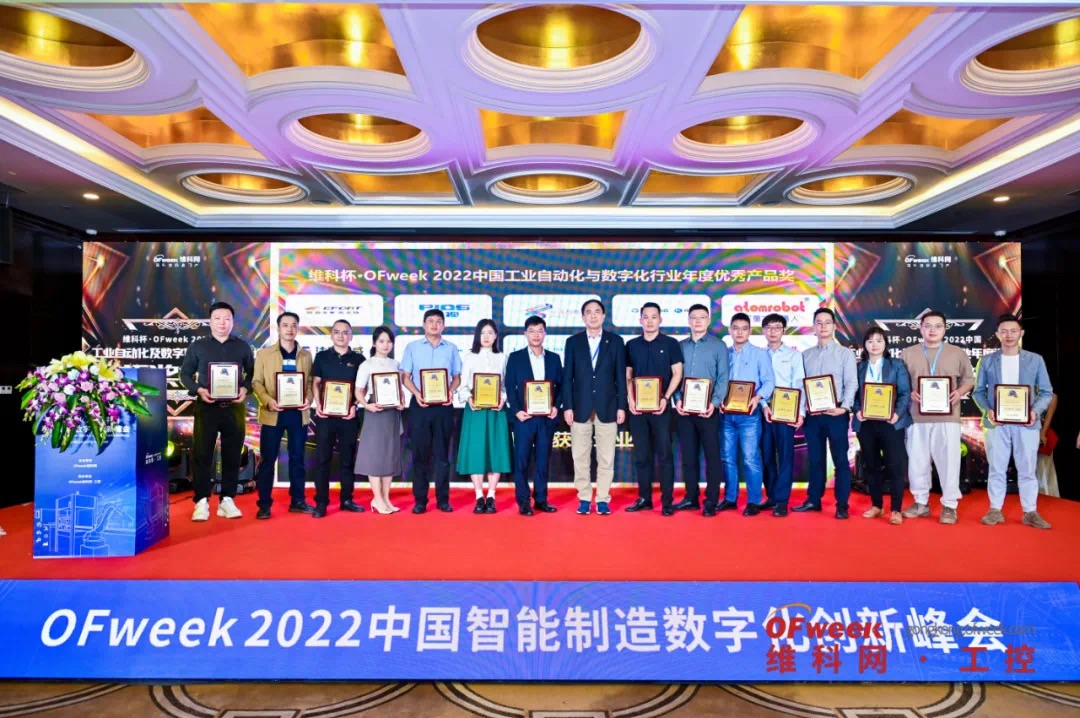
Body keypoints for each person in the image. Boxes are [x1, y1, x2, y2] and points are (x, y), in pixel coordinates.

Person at [972, 314, 1054, 529]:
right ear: (998, 334)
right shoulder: (987, 361)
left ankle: (1030, 511)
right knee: (996, 468)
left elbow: (1046, 392)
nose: (1009, 335)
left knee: (1027, 469)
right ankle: (995, 510)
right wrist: (988, 410)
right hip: (996, 424)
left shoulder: (1035, 360)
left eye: (1013, 331)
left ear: (1021, 333)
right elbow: (978, 392)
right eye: (1004, 331)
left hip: (1027, 424)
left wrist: (1034, 412)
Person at [179, 301, 254, 521]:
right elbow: (185, 375)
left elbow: (253, 375)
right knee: (202, 454)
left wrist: (245, 389)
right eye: (218, 318)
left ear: (233, 322)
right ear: (210, 321)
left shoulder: (242, 347)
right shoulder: (198, 346)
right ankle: (201, 501)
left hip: (234, 408)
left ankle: (227, 500)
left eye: (227, 319)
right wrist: (198, 390)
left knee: (233, 455)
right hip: (206, 407)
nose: (222, 323)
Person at [900, 310, 975, 524]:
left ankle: (949, 506)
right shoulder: (908, 353)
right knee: (917, 462)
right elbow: (900, 382)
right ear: (920, 328)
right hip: (917, 417)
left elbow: (969, 380)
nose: (932, 330)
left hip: (948, 417)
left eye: (938, 326)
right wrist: (910, 393)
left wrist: (959, 392)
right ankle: (920, 503)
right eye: (928, 326)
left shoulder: (957, 352)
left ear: (945, 329)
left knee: (949, 461)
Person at [561, 299, 627, 516]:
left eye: (597, 311)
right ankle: (584, 497)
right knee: (580, 457)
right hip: (580, 407)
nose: (593, 315)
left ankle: (603, 499)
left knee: (606, 457)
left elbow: (620, 377)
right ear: (582, 317)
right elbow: (567, 377)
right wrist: (567, 406)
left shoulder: (615, 341)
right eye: (588, 312)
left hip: (608, 406)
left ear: (604, 316)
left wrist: (622, 406)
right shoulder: (573, 342)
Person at [794, 307, 858, 519]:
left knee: (840, 460)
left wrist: (844, 407)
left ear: (834, 326)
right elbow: (801, 386)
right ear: (813, 326)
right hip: (813, 416)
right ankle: (814, 500)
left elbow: (851, 383)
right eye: (819, 323)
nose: (823, 326)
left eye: (827, 322)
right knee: (815, 460)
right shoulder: (805, 355)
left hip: (836, 414)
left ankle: (842, 505)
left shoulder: (845, 353)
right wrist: (803, 409)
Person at [252, 312, 315, 519]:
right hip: (273, 414)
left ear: (298, 328)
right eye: (285, 325)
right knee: (268, 459)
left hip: (298, 414)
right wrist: (267, 400)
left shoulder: (305, 356)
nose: (290, 329)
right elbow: (256, 382)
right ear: (278, 328)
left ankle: (298, 501)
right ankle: (264, 504)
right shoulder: (264, 354)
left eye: (294, 325)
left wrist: (309, 398)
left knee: (298, 458)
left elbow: (309, 383)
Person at [401, 308, 462, 514]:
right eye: (430, 321)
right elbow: (405, 377)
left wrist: (451, 391)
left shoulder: (451, 348)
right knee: (420, 454)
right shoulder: (412, 347)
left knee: (443, 455)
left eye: (438, 321)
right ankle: (420, 500)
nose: (434, 325)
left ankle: (443, 500)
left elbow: (457, 377)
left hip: (443, 407)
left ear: (444, 325)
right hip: (420, 406)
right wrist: (417, 394)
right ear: (424, 324)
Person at [625, 302, 684, 515]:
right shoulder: (631, 345)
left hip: (661, 408)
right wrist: (631, 399)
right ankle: (644, 498)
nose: (650, 321)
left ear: (660, 319)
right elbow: (628, 375)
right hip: (638, 411)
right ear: (640, 320)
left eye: (654, 317)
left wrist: (666, 398)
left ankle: (667, 501)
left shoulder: (670, 344)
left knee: (665, 455)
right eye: (646, 317)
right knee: (642, 456)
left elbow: (677, 373)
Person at [851, 327, 911, 525]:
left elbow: (905, 392)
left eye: (879, 340)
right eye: (870, 341)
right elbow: (853, 393)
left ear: (885, 343)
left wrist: (897, 413)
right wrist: (857, 409)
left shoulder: (896, 365)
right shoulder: (859, 367)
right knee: (871, 465)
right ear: (864, 345)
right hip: (866, 423)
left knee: (895, 465)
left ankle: (896, 509)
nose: (874, 345)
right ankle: (877, 505)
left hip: (891, 423)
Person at [672, 303, 728, 516]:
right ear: (688, 320)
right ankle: (691, 497)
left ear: (708, 320)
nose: (697, 321)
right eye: (694, 317)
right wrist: (677, 399)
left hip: (708, 411)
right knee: (688, 456)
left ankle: (711, 500)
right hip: (684, 411)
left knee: (712, 456)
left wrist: (714, 403)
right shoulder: (679, 346)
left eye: (702, 317)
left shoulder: (718, 346)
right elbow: (675, 376)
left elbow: (723, 377)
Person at [504, 316, 563, 516]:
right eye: (532, 331)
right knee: (521, 460)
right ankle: (523, 501)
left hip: (546, 418)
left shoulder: (554, 358)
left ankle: (541, 499)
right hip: (524, 418)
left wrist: (556, 406)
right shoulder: (515, 357)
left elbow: (562, 385)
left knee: (543, 460)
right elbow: (509, 386)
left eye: (540, 331)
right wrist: (516, 410)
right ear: (525, 334)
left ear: (545, 333)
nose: (536, 335)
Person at [720, 312, 775, 515]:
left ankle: (754, 500)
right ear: (730, 330)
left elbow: (769, 382)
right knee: (727, 458)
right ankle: (730, 498)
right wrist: (718, 398)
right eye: (736, 328)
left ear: (750, 331)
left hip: (749, 416)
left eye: (744, 328)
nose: (740, 332)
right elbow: (718, 381)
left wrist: (757, 397)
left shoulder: (760, 354)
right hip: (726, 415)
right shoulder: (724, 353)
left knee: (750, 458)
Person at [310, 319, 365, 519]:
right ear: (331, 335)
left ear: (351, 336)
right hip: (326, 417)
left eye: (345, 332)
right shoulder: (322, 357)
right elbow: (315, 383)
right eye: (337, 332)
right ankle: (321, 502)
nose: (341, 336)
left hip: (349, 416)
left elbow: (363, 386)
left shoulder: (359, 359)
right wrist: (319, 405)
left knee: (347, 460)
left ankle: (347, 500)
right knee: (322, 459)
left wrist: (355, 405)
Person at [456, 319, 512, 513]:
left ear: (496, 336)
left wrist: (503, 399)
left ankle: (492, 496)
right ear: (477, 336)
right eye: (483, 333)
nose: (486, 337)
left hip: (496, 411)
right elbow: (463, 385)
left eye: (490, 333)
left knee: (495, 452)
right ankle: (479, 496)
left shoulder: (503, 357)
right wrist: (469, 398)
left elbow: (506, 385)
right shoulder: (470, 357)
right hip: (476, 411)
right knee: (476, 452)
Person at [355, 326, 406, 514]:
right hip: (375, 412)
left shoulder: (395, 364)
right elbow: (358, 391)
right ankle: (377, 499)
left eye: (389, 341)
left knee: (389, 456)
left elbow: (399, 390)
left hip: (392, 413)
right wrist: (366, 405)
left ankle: (385, 498)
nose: (386, 345)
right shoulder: (367, 365)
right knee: (375, 456)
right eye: (382, 341)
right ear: (374, 343)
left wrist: (402, 402)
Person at [760, 313, 805, 518]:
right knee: (766, 455)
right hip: (764, 411)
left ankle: (782, 500)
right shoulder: (759, 355)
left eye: (777, 327)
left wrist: (800, 412)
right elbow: (756, 384)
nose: (773, 331)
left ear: (784, 331)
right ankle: (771, 495)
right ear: (763, 331)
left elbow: (799, 384)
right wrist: (763, 405)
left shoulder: (794, 355)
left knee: (785, 456)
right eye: (769, 327)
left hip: (787, 410)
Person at [1036, 393, 1059, 497]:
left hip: (1041, 430)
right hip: (1023, 432)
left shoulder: (1049, 392)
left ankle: (1046, 497)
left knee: (1043, 469)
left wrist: (1043, 432)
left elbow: (1050, 412)